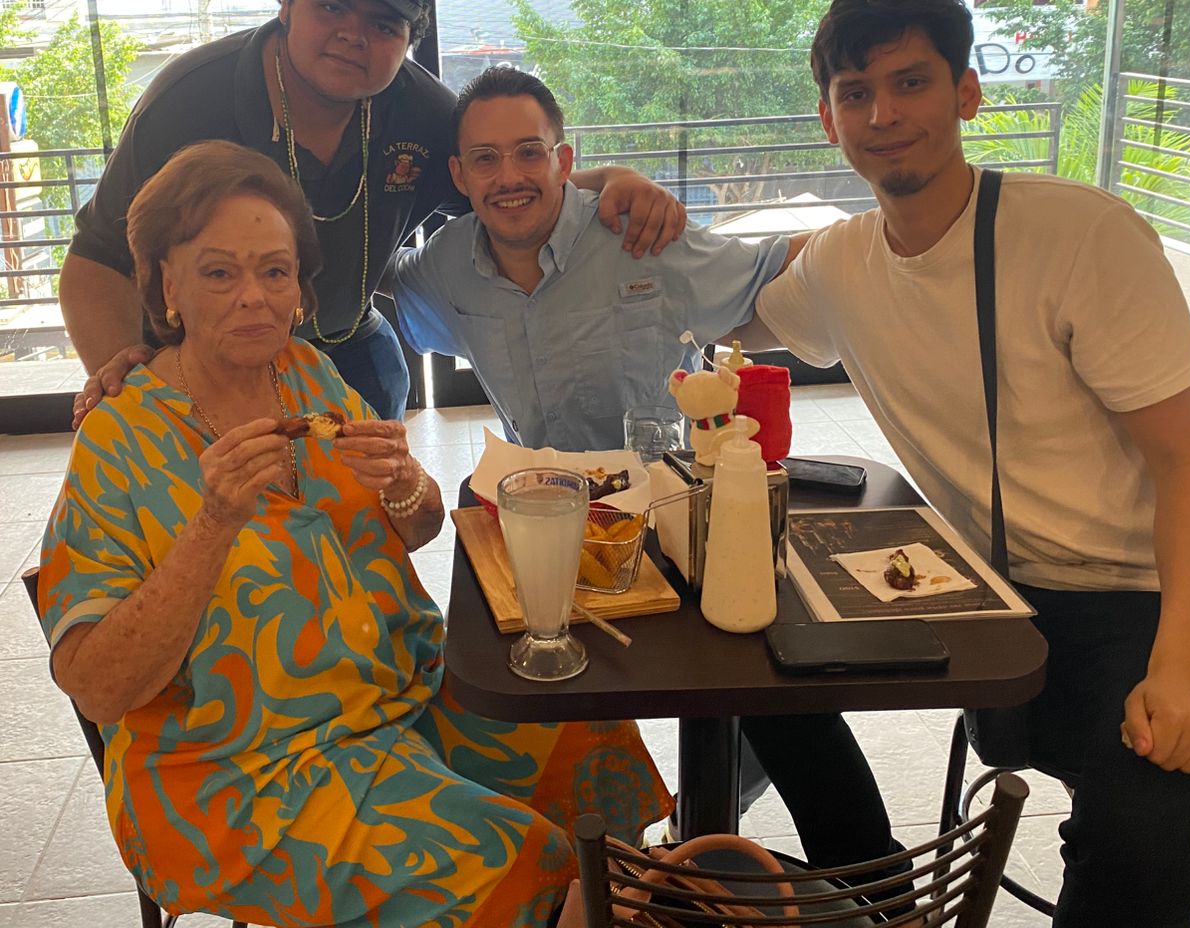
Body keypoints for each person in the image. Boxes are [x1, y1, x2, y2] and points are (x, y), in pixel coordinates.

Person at [749, 0, 1190, 927]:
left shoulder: (1079, 234)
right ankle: (877, 893)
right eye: (855, 92)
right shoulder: (840, 262)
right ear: (829, 120)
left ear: (967, 93)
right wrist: (601, 199)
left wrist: (1179, 669)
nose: (883, 114)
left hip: (1172, 594)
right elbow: (736, 306)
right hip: (1007, 592)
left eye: (911, 83)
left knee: (1136, 841)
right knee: (755, 662)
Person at [38, 139, 671, 928]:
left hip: (409, 697)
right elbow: (97, 685)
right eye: (219, 273)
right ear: (168, 285)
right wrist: (212, 526)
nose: (253, 297)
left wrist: (404, 483)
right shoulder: (120, 440)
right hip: (245, 774)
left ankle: (612, 904)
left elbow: (421, 523)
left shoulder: (307, 374)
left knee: (589, 729)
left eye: (275, 271)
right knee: (521, 861)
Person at [386, 66, 909, 888]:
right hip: (548, 519)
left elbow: (772, 269)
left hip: (676, 510)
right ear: (459, 175)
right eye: (485, 159)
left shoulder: (637, 234)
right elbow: (364, 293)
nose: (509, 176)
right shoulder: (445, 268)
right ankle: (587, 880)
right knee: (512, 699)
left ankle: (878, 892)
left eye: (530, 153)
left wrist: (901, 236)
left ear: (565, 159)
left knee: (779, 691)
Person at [62, 0, 684, 424]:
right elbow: (94, 260)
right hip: (201, 362)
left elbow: (504, 185)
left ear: (410, 40)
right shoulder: (188, 99)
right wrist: (132, 389)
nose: (353, 35)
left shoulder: (425, 115)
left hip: (348, 353)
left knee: (366, 521)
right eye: (331, 6)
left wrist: (613, 179)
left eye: (385, 24)